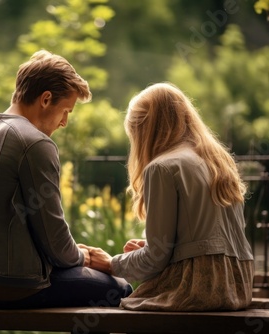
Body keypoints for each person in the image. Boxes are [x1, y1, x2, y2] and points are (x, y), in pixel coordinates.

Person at [0, 50, 132, 309]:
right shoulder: (34, 143)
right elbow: (55, 244)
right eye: (66, 111)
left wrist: (72, 254)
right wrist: (83, 256)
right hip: (11, 287)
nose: (64, 122)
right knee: (119, 287)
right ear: (45, 99)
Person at [83, 82, 254, 311]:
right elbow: (205, 241)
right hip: (238, 285)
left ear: (146, 130)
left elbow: (155, 259)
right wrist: (168, 249)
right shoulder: (218, 163)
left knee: (113, 305)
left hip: (198, 288)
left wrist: (111, 263)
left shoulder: (162, 167)